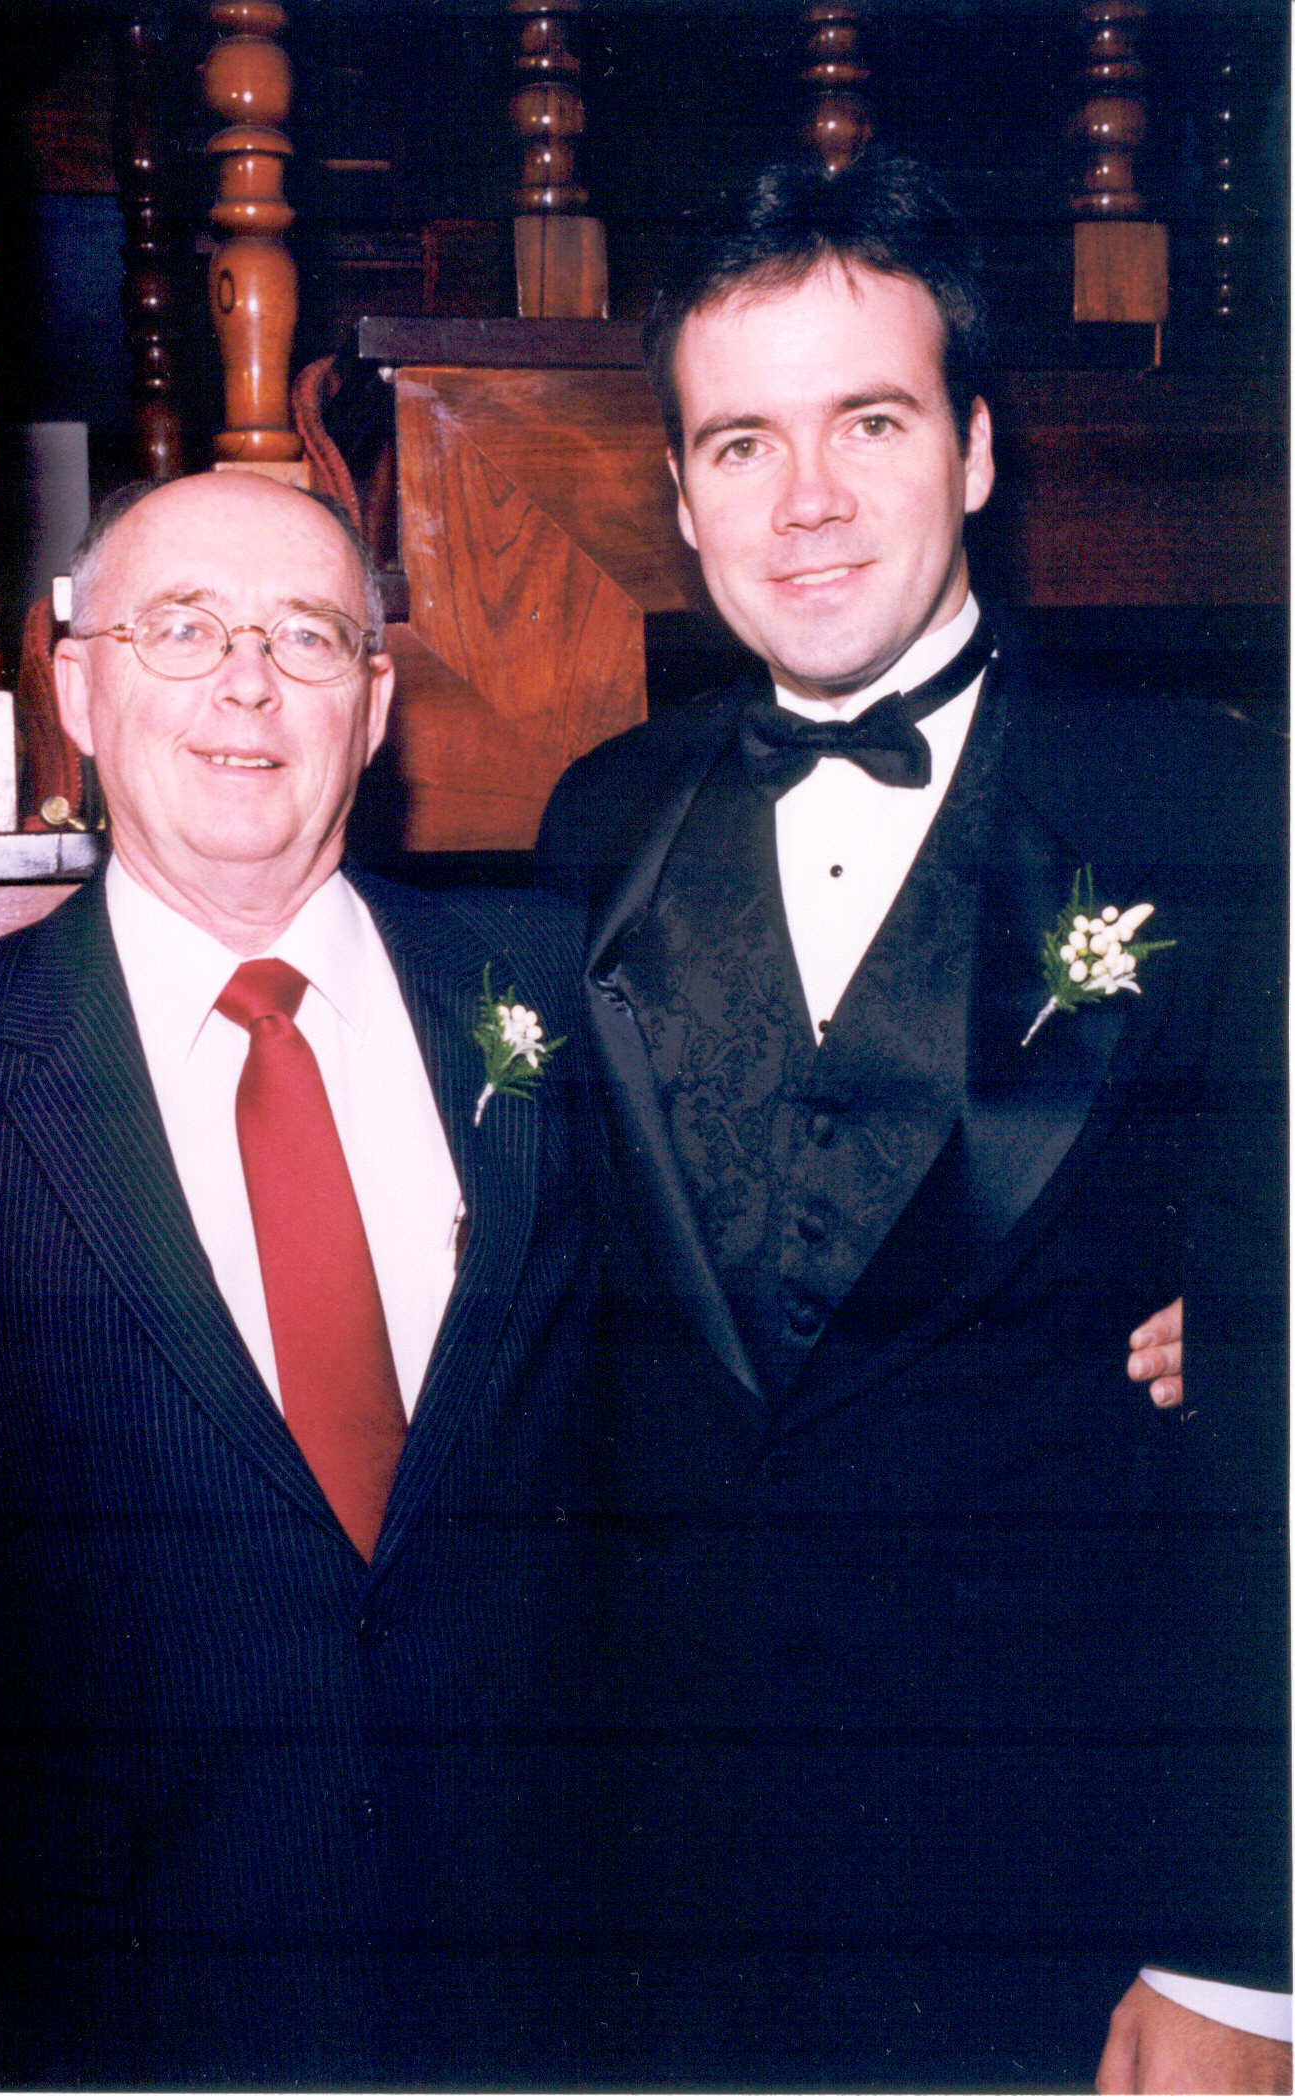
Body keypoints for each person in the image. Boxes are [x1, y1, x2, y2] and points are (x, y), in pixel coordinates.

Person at [538, 149, 1288, 2091]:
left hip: (1056, 1897)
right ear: (680, 495)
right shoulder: (594, 826)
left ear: (973, 452)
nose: (803, 499)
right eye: (740, 443)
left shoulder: (1215, 812)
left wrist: (1240, 1960)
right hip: (658, 1907)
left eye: (866, 422)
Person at [0, 470, 601, 2088]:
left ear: (374, 705)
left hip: (535, 1988)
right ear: (77, 689)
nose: (247, 682)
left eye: (307, 635)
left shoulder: (566, 1003)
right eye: (181, 629)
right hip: (116, 2006)